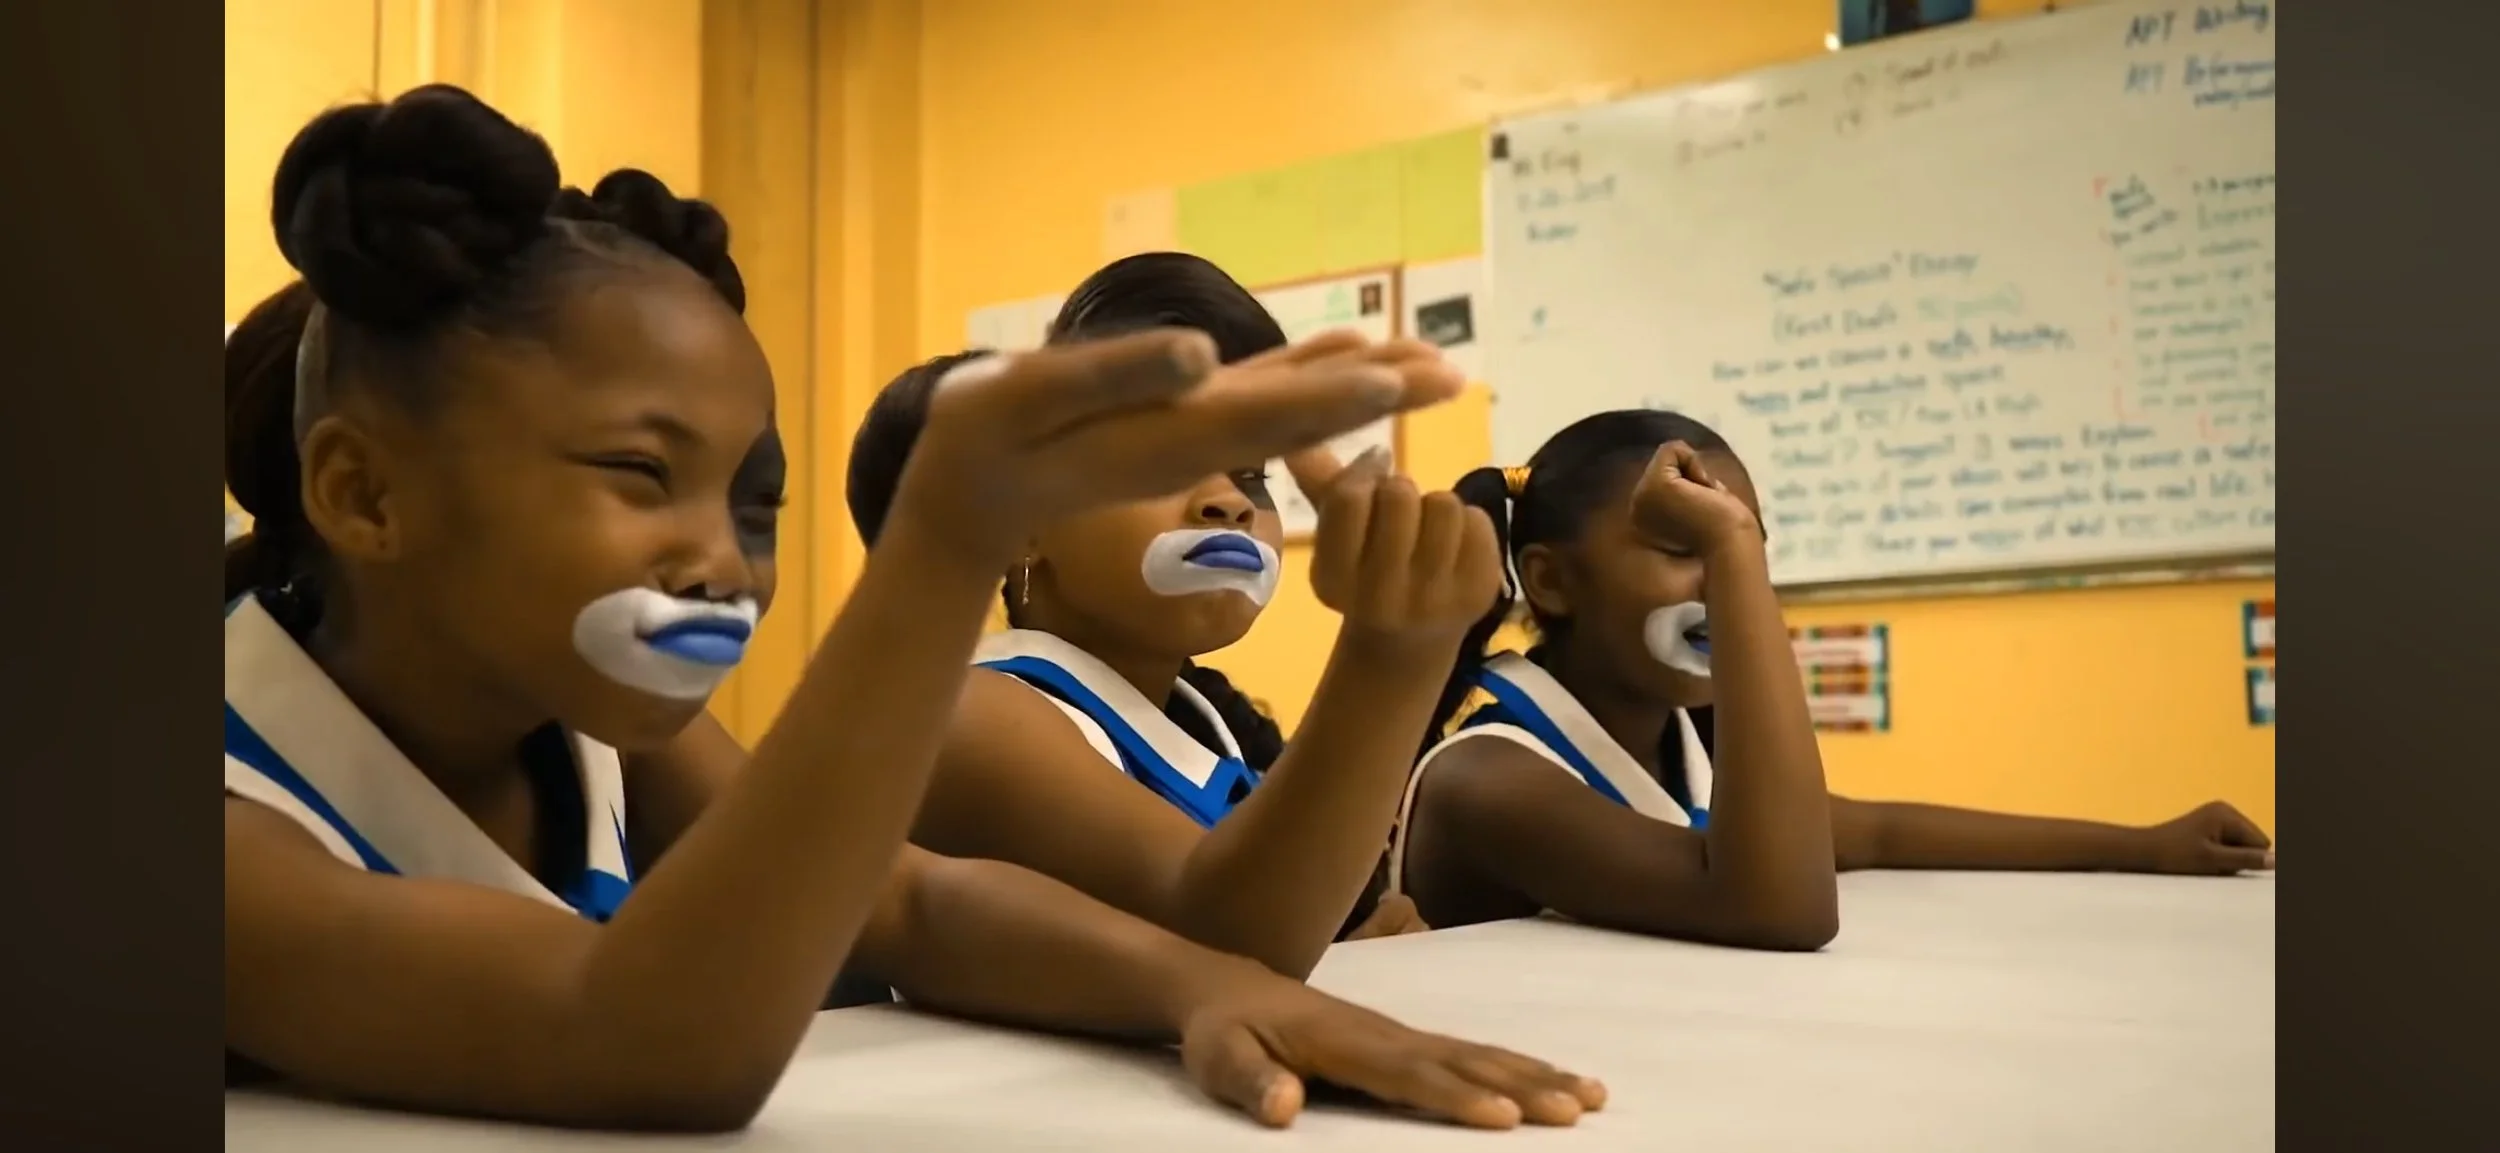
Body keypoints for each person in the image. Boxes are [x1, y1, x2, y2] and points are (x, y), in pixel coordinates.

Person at [221, 85, 1605, 1133]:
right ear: (364, 495)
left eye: (751, 505)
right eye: (643, 474)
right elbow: (646, 1043)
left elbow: (910, 905)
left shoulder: (586, 721)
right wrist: (941, 551)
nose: (722, 564)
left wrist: (1198, 986)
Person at [1387, 408, 2277, 948]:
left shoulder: (1675, 739)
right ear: (1549, 580)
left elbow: (1878, 830)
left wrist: (2147, 843)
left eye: (1747, 545)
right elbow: (1777, 909)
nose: (1733, 580)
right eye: (1683, 545)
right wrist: (1732, 551)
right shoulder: (1488, 778)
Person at [843, 254, 1496, 980]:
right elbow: (1241, 943)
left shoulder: (1211, 718)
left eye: (1252, 471)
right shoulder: (969, 713)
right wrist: (1393, 646)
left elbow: (1329, 921)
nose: (1231, 501)